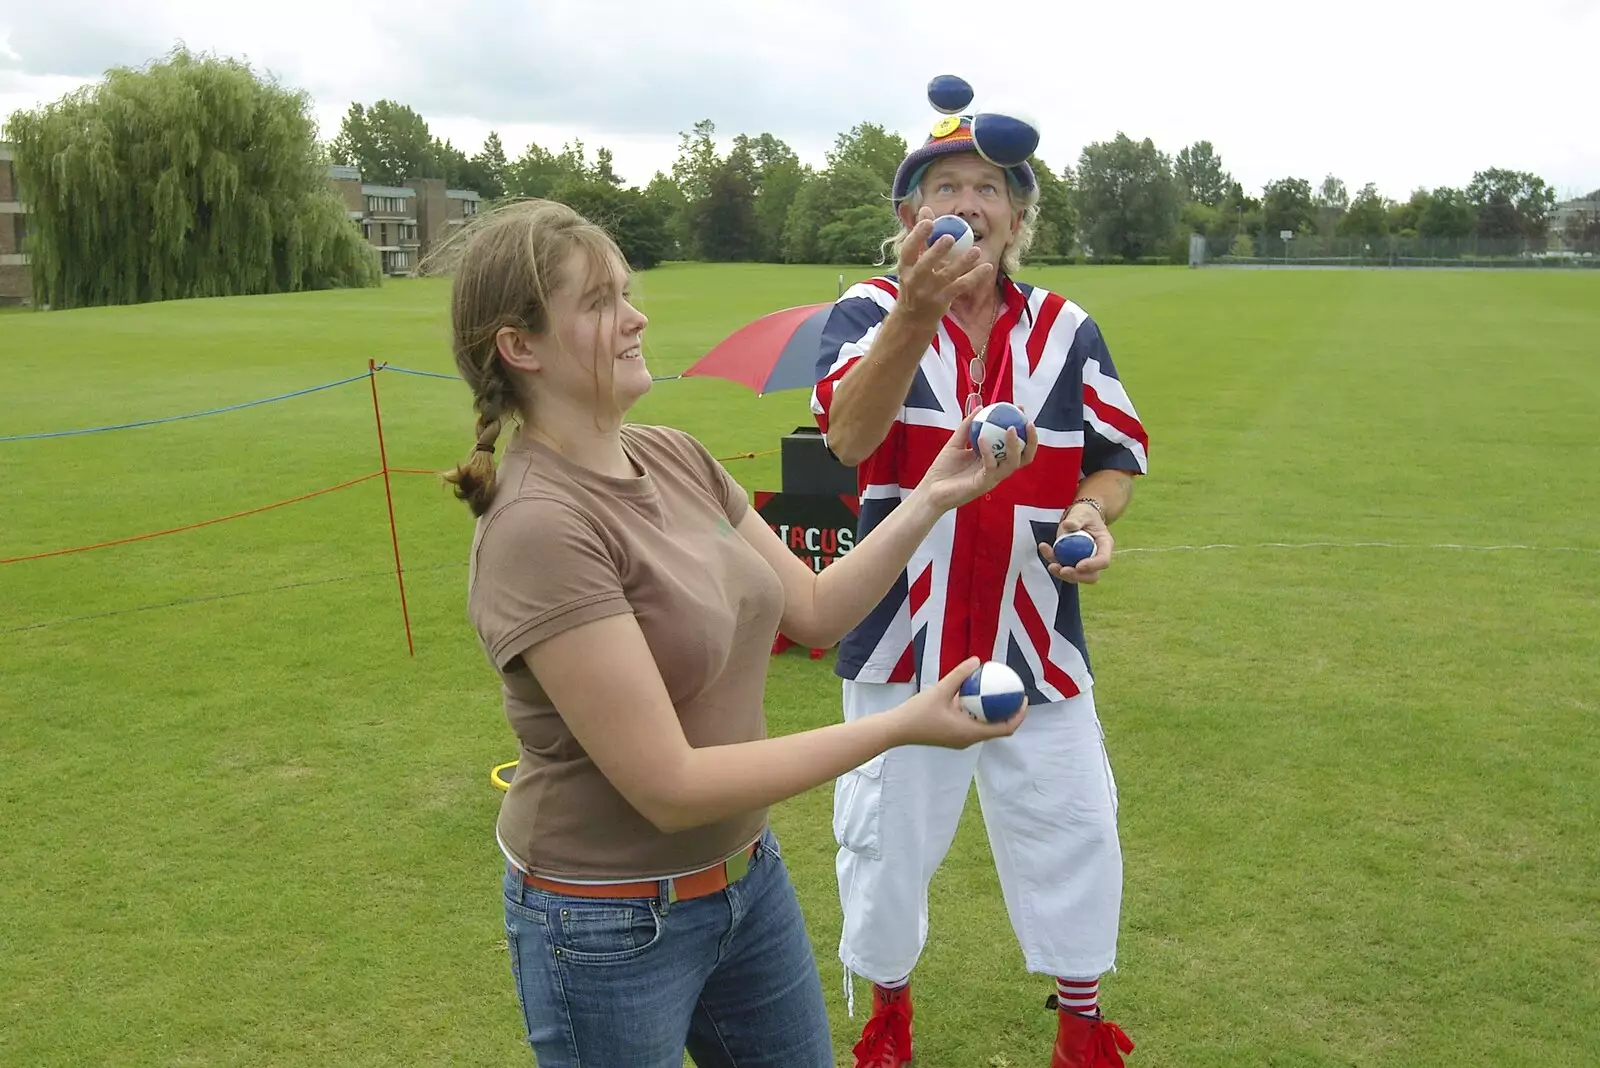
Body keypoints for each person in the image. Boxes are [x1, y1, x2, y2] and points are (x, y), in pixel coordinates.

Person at [436, 197, 1038, 1068]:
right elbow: (671, 785)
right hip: (605, 924)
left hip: (747, 887)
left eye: (628, 292)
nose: (636, 316)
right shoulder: (540, 528)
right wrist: (901, 724)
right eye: (600, 302)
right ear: (519, 347)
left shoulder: (678, 457)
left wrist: (933, 496)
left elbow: (817, 611)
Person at [810, 107, 1149, 1068]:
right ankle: (889, 1025)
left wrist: (1090, 518)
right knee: (884, 843)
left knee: (1076, 828)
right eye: (945, 189)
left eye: (988, 188)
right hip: (897, 643)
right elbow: (848, 439)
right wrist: (916, 311)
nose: (968, 205)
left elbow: (1116, 460)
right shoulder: (870, 312)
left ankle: (1082, 1035)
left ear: (1017, 215)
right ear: (912, 215)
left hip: (1037, 638)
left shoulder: (1067, 328)